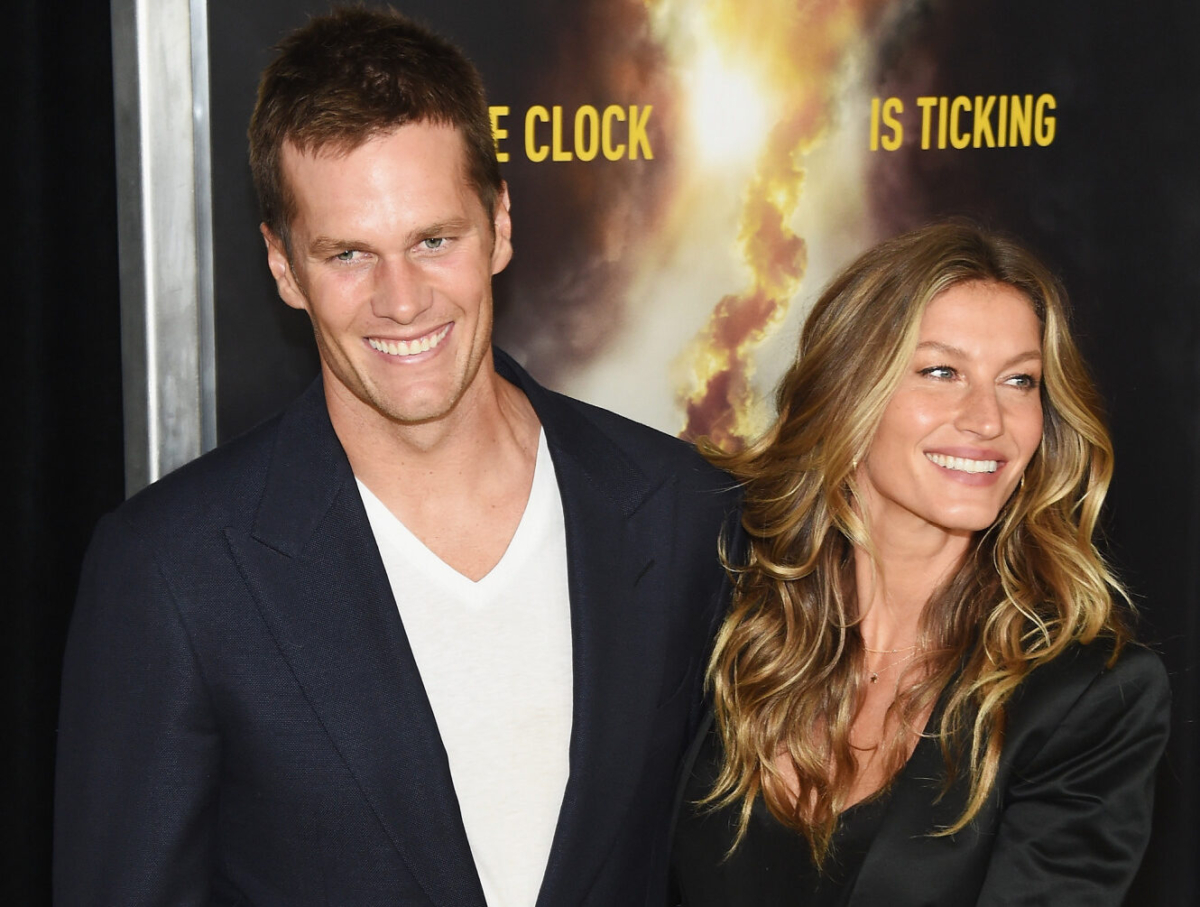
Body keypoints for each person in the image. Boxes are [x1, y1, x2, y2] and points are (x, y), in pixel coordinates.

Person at [53, 8, 737, 906]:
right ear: (284, 267)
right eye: (348, 254)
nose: (402, 299)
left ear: (499, 224)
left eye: (433, 240)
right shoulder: (174, 572)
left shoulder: (684, 510)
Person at [670, 222, 1170, 906]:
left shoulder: (1088, 698)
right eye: (942, 371)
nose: (988, 419)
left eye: (1019, 380)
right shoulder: (723, 619)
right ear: (850, 391)